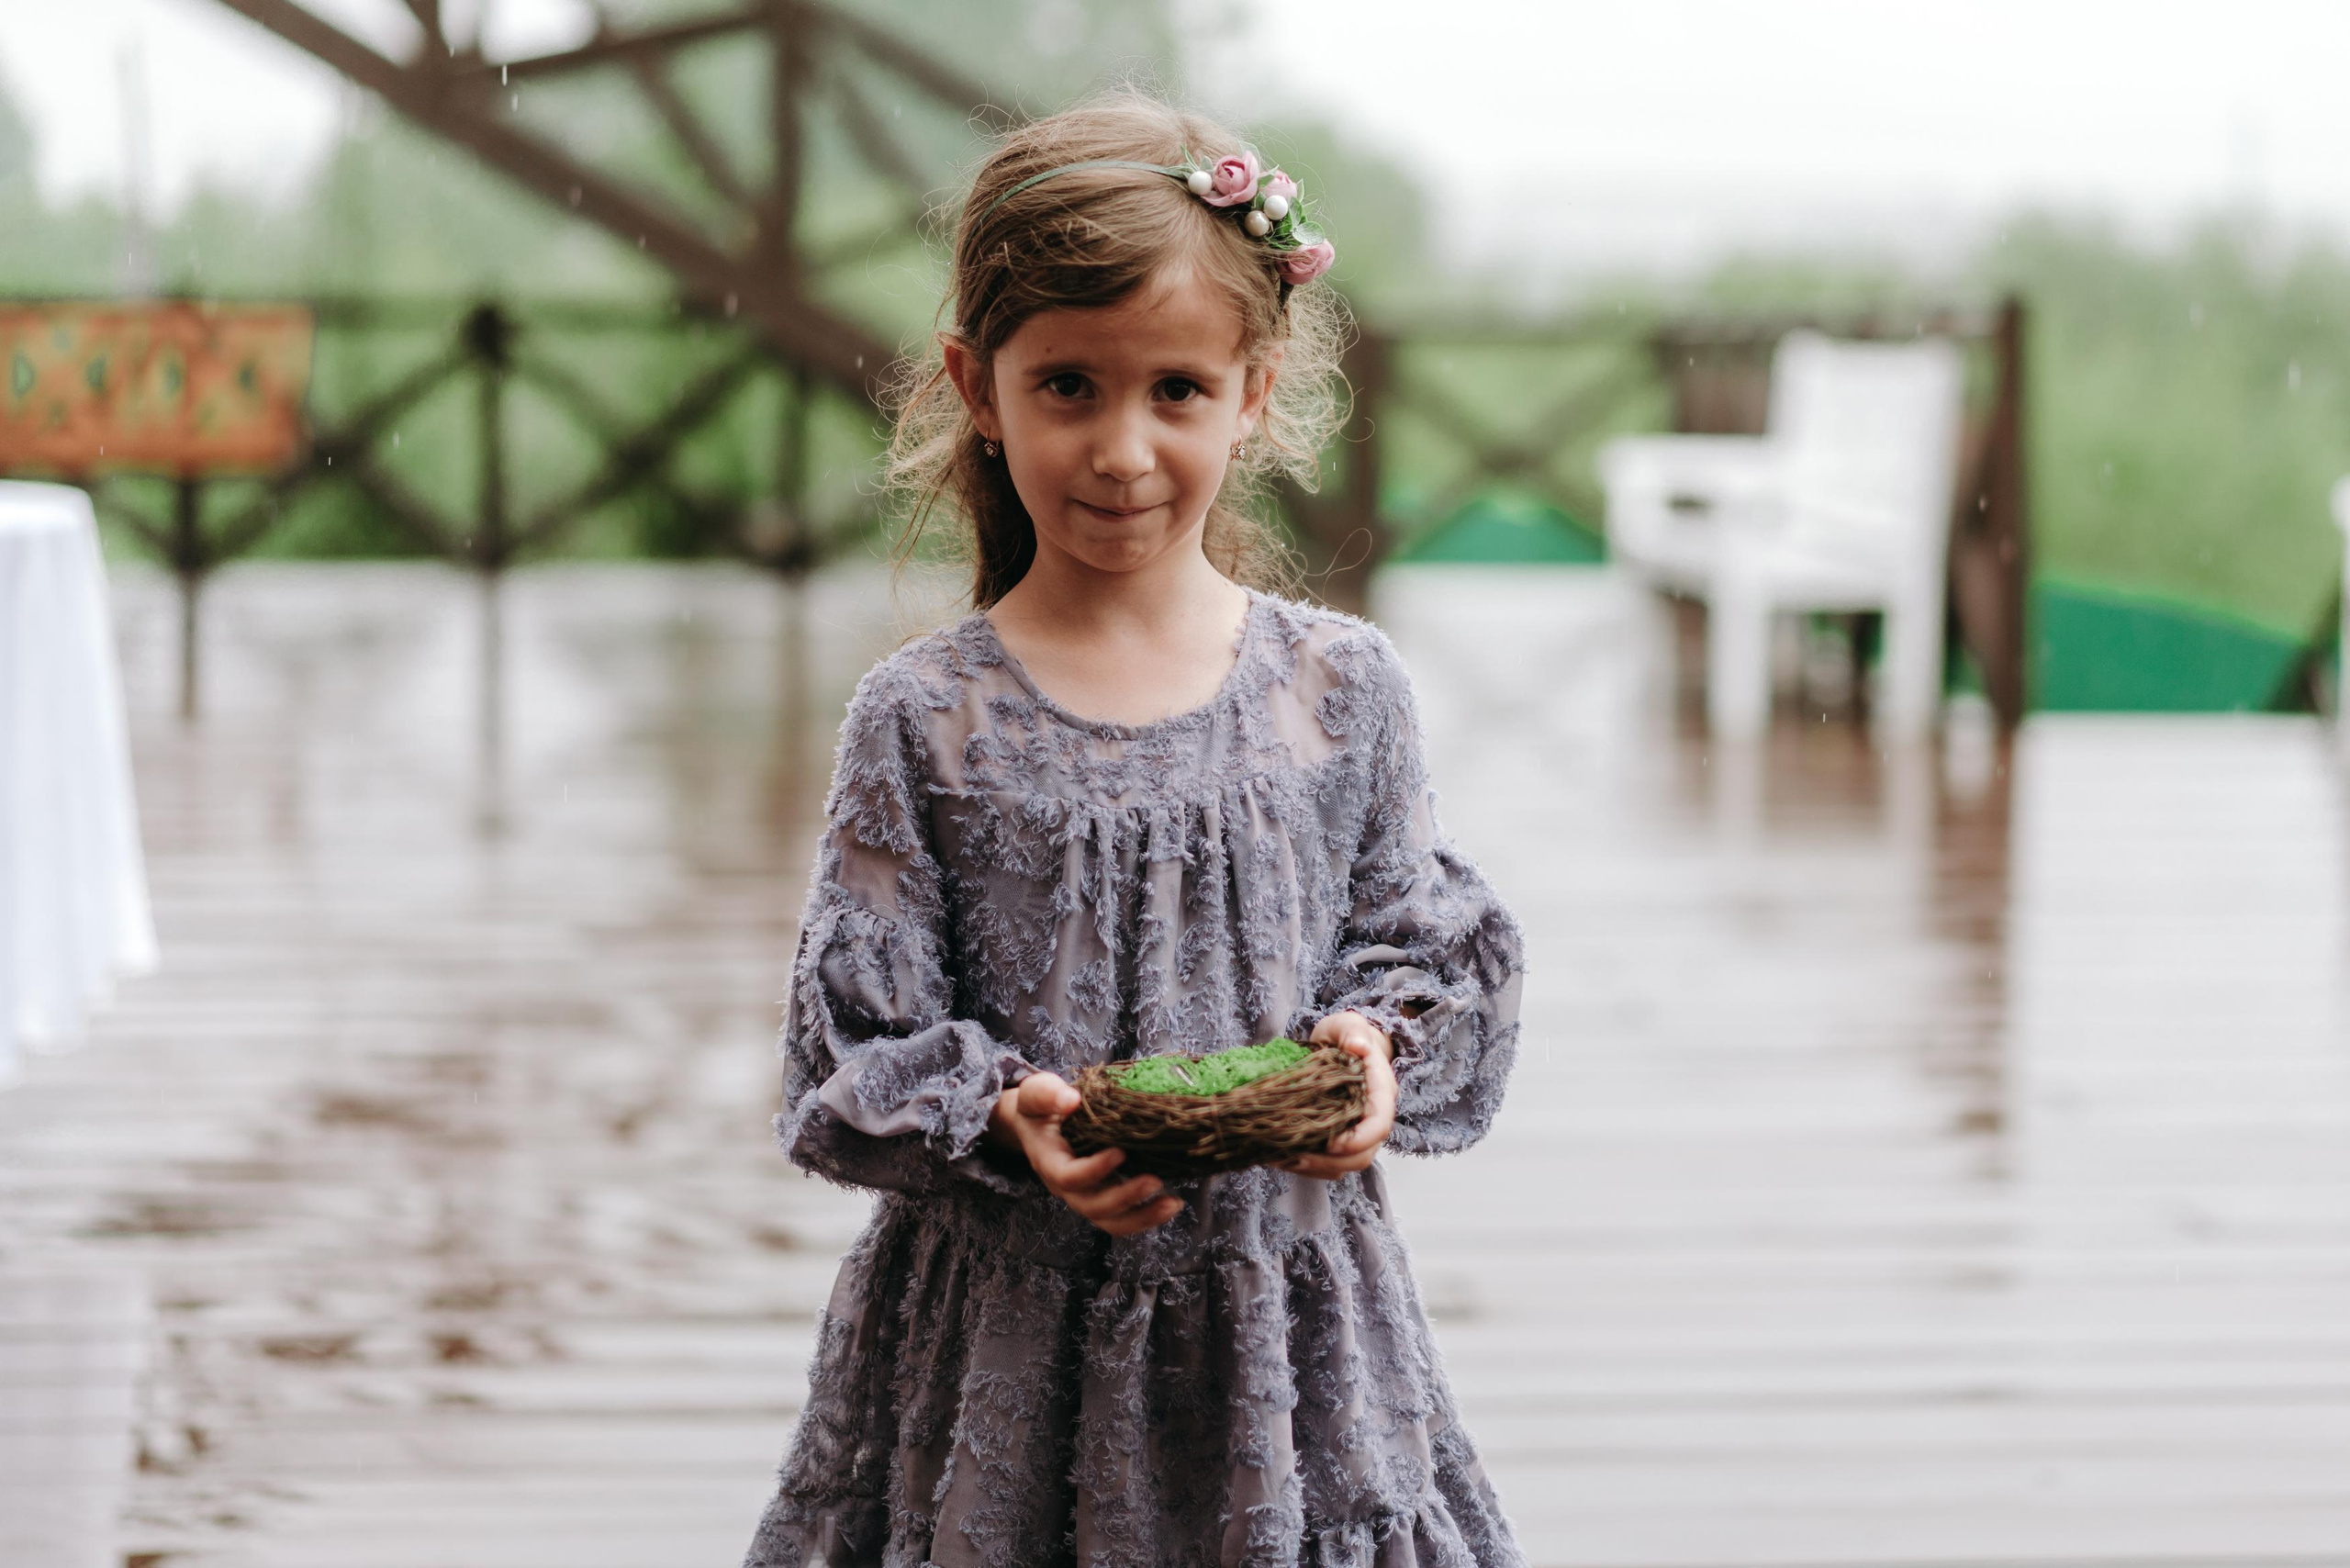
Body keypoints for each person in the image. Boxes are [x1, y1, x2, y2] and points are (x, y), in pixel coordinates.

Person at [742, 88, 1529, 1568]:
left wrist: (1374, 1053)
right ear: (979, 386)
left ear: (1254, 388)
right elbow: (851, 1040)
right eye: (1069, 388)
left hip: (1287, 1346)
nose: (1121, 449)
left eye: (1175, 389)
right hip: (1005, 1350)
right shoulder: (928, 723)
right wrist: (1006, 1118)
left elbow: (1421, 945)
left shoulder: (1337, 693)